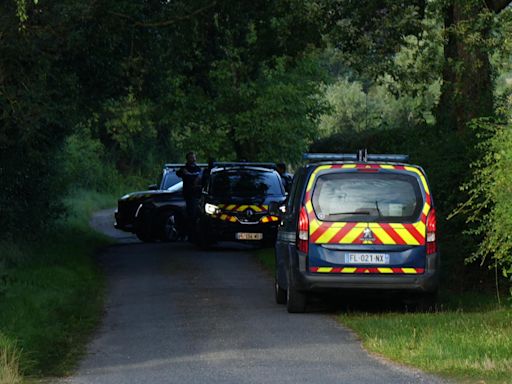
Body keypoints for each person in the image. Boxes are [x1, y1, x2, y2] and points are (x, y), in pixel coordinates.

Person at [177, 152, 202, 234]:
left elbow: (199, 178)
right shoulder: (184, 168)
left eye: (194, 157)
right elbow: (180, 173)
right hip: (189, 195)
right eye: (192, 157)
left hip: (198, 195)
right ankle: (189, 231)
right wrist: (191, 176)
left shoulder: (198, 168)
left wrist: (189, 175)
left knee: (196, 214)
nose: (194, 159)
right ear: (188, 159)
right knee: (190, 214)